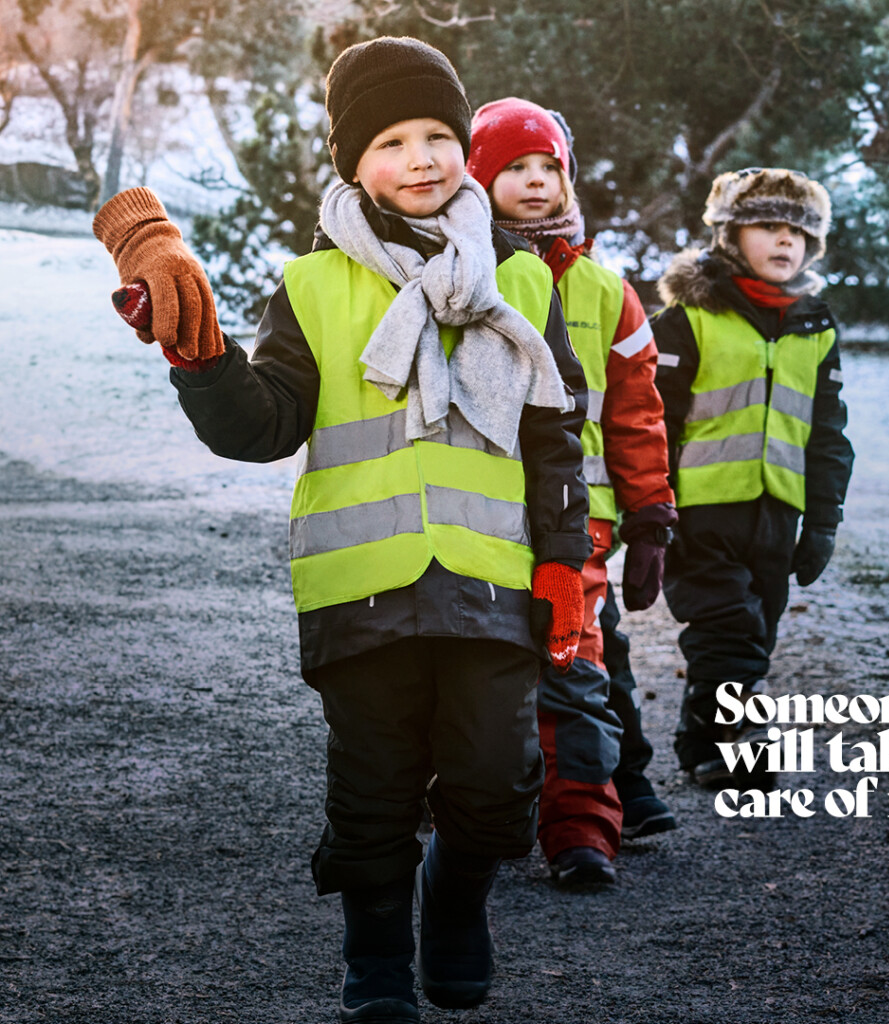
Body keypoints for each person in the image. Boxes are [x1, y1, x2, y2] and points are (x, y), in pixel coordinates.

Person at [92, 36, 592, 1024]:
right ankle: (374, 960)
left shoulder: (523, 284)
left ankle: (454, 904)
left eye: (440, 135)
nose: (420, 157)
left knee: (498, 785)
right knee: (373, 794)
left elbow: (555, 439)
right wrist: (200, 360)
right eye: (392, 140)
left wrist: (566, 569)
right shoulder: (311, 289)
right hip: (358, 586)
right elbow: (262, 425)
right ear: (353, 163)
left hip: (493, 582)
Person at [467, 98, 678, 887]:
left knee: (576, 675)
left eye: (547, 168)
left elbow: (636, 413)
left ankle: (583, 831)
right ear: (479, 181)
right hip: (478, 520)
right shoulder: (460, 275)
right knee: (477, 683)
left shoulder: (606, 291)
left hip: (579, 530)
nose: (532, 182)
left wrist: (651, 514)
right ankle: (472, 820)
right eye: (512, 168)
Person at [650, 167, 855, 792]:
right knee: (726, 626)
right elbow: (653, 419)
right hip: (700, 511)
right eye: (768, 226)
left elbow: (827, 435)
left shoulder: (813, 329)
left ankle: (703, 743)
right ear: (730, 235)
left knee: (755, 628)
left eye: (798, 231)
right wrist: (652, 506)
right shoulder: (689, 320)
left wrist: (822, 522)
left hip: (777, 515)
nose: (785, 241)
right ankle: (738, 737)